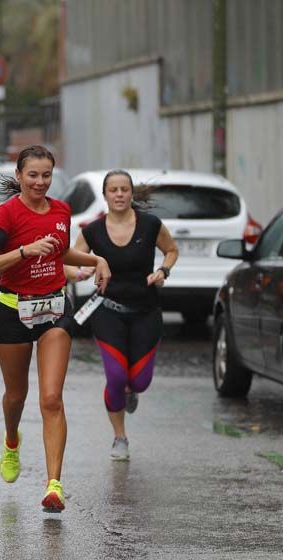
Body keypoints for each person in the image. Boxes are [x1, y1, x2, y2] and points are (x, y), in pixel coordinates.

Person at [0, 145, 111, 513]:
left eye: (46, 175)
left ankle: (54, 485)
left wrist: (97, 259)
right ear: (19, 175)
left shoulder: (61, 211)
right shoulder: (6, 214)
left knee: (51, 398)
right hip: (12, 311)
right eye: (32, 174)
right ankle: (11, 439)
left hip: (54, 309)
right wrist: (24, 251)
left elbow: (60, 253)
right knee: (16, 396)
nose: (39, 182)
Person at [65, 170, 178, 461]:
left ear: (131, 194)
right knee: (116, 377)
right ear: (105, 195)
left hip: (146, 312)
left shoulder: (150, 225)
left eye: (124, 189)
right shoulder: (92, 230)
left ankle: (132, 390)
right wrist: (81, 271)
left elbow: (171, 250)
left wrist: (163, 271)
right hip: (107, 312)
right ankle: (120, 437)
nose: (118, 194)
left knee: (139, 381)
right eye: (113, 190)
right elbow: (69, 263)